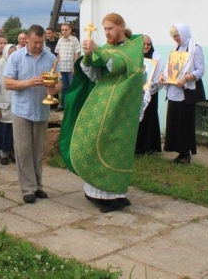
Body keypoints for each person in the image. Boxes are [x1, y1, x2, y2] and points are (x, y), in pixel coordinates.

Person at [60, 13, 143, 213]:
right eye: (104, 29)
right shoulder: (106, 49)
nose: (107, 32)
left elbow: (119, 66)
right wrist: (88, 57)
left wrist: (97, 50)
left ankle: (115, 196)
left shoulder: (134, 47)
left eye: (110, 28)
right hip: (102, 103)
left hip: (121, 107)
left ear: (121, 27)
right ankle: (95, 193)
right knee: (93, 142)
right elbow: (94, 75)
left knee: (116, 148)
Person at [4, 25, 61, 203]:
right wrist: (27, 83)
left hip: (42, 110)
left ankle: (38, 186)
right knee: (23, 151)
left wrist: (54, 88)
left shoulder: (50, 57)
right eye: (35, 42)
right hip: (21, 110)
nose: (38, 46)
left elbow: (59, 83)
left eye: (41, 42)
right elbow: (7, 83)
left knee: (38, 152)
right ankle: (27, 189)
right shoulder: (16, 57)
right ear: (27, 39)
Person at [159, 23, 205, 164]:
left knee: (184, 123)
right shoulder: (176, 49)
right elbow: (170, 68)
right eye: (173, 36)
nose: (175, 39)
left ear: (184, 33)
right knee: (174, 123)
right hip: (174, 91)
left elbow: (200, 70)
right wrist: (163, 75)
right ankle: (179, 152)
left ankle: (186, 154)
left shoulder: (196, 49)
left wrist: (185, 78)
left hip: (186, 93)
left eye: (177, 36)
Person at [135, 35, 163, 154]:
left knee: (149, 117)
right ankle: (136, 146)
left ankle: (148, 146)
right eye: (144, 44)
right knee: (137, 119)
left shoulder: (157, 57)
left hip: (150, 93)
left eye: (149, 44)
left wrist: (149, 88)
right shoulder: (135, 56)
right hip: (136, 92)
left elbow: (159, 75)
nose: (146, 46)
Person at [0, 44, 17, 165]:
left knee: (16, 130)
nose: (13, 55)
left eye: (14, 53)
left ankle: (15, 153)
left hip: (17, 104)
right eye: (10, 53)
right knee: (5, 131)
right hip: (4, 104)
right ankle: (5, 153)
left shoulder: (20, 65)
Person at [54, 23, 81, 111]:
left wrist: (75, 67)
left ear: (70, 30)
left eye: (66, 30)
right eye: (63, 30)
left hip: (70, 69)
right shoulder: (60, 40)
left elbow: (77, 53)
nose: (64, 31)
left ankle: (72, 105)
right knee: (63, 88)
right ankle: (64, 105)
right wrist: (55, 67)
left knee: (72, 87)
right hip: (62, 68)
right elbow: (58, 54)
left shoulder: (74, 40)